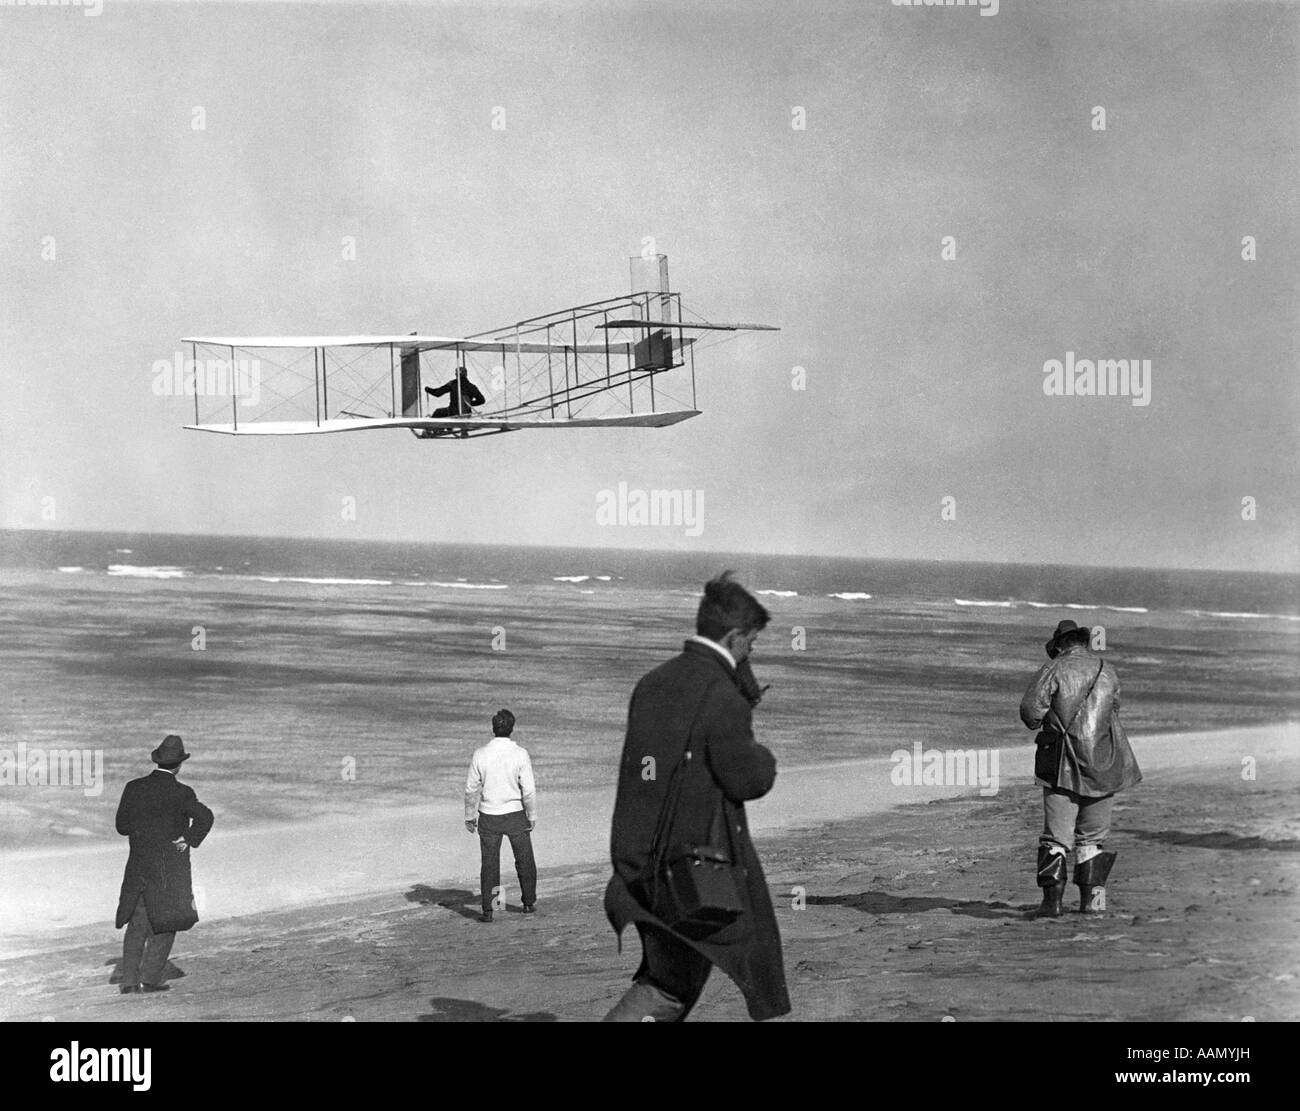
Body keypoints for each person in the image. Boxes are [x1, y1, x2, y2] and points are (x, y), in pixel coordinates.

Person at [602, 572, 790, 1022]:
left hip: (639, 862)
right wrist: (764, 756)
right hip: (695, 874)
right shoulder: (722, 696)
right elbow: (746, 779)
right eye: (752, 642)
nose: (752, 652)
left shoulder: (653, 682)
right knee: (669, 988)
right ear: (735, 636)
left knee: (670, 979)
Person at [1020, 620, 1142, 917]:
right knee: (1093, 838)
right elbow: (1114, 711)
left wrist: (1047, 722)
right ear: (1083, 641)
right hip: (1104, 762)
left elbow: (1030, 712)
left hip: (1062, 762)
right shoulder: (1107, 670)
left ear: (1060, 645)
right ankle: (1090, 903)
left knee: (1056, 837)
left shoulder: (1056, 669)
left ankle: (1052, 905)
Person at [113, 735, 214, 994]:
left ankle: (129, 983)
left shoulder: (133, 787)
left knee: (137, 923)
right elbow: (205, 816)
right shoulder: (182, 792)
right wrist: (188, 839)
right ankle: (151, 978)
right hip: (169, 867)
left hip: (139, 864)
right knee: (166, 922)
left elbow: (122, 827)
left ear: (157, 760)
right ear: (179, 765)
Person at [464, 709, 537, 923]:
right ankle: (528, 903)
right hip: (515, 814)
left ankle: (490, 909)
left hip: (488, 815)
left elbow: (470, 789)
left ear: (493, 728)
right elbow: (529, 790)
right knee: (524, 861)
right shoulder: (520, 753)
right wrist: (531, 814)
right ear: (512, 729)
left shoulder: (480, 753)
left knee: (490, 865)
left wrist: (470, 816)